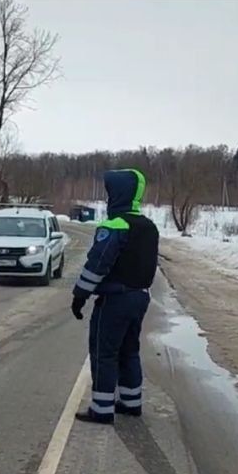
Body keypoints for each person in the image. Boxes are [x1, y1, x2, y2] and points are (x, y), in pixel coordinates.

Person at [71, 169, 160, 424]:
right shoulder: (149, 227)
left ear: (118, 194)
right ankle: (131, 402)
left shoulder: (115, 226)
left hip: (115, 300)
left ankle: (101, 408)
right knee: (129, 350)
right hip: (140, 298)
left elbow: (97, 264)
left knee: (104, 352)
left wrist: (80, 295)